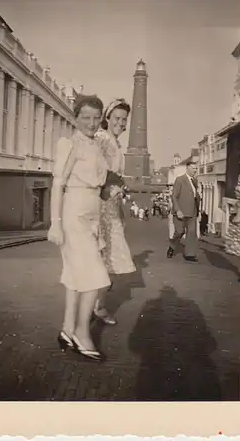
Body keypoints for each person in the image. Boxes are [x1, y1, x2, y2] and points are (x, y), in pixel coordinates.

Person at [47, 94, 112, 362]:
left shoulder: (96, 146)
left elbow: (98, 183)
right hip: (73, 215)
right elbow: (58, 185)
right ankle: (82, 333)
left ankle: (67, 329)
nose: (91, 122)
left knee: (75, 274)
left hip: (91, 215)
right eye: (86, 117)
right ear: (76, 118)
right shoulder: (69, 144)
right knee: (96, 276)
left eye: (96, 118)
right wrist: (55, 224)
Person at [93, 99, 136, 325]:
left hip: (111, 206)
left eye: (124, 119)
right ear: (107, 118)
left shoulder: (114, 142)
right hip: (102, 206)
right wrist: (111, 186)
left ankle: (97, 305)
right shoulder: (102, 139)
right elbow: (95, 171)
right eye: (117, 118)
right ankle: (94, 307)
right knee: (102, 257)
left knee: (106, 259)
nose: (120, 122)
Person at [167, 160, 201, 262]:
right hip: (180, 212)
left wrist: (198, 211)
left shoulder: (195, 181)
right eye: (192, 168)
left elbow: (195, 197)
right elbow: (174, 196)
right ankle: (172, 246)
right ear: (187, 168)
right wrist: (178, 210)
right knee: (179, 231)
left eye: (196, 169)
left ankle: (190, 254)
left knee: (191, 233)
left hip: (192, 212)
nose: (194, 170)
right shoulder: (180, 180)